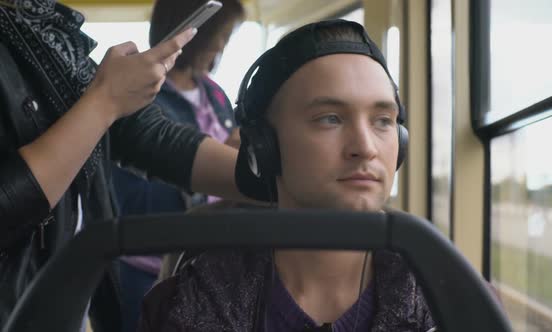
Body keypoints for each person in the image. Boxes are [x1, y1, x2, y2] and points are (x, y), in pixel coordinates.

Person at [137, 19, 435, 332]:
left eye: (383, 121)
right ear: (264, 147)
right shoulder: (189, 303)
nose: (365, 147)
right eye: (330, 119)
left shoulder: (445, 297)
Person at [0, 0, 245, 330]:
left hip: (56, 301)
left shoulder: (40, 24)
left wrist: (268, 180)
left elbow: (143, 133)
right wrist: (105, 101)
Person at [111, 1, 244, 330]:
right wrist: (218, 168)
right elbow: (129, 191)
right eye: (221, 33)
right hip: (143, 266)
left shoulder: (215, 93)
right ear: (197, 31)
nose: (223, 44)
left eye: (229, 35)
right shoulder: (140, 91)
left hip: (204, 256)